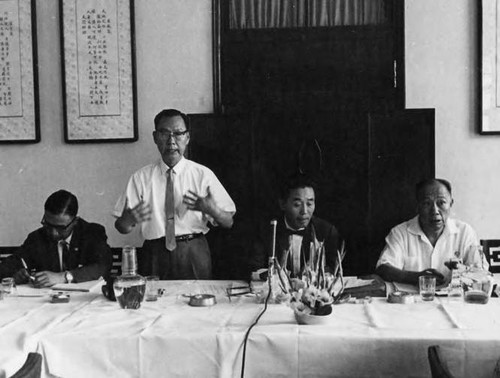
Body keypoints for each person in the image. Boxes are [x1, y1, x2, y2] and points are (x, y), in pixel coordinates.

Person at [113, 108, 236, 280]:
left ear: (187, 137)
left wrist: (212, 210)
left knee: (196, 303)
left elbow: (228, 222)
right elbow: (121, 227)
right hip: (154, 253)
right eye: (165, 134)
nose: (171, 141)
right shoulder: (140, 178)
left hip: (193, 250)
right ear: (155, 137)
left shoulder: (202, 175)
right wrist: (128, 220)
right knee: (152, 304)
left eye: (178, 134)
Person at [375, 178, 488, 286]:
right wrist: (416, 277)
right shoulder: (400, 233)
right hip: (412, 300)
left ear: (451, 204)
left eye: (441, 203)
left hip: (454, 301)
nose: (435, 211)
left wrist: (463, 270)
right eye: (426, 203)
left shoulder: (465, 232)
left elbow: (481, 270)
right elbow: (383, 268)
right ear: (417, 206)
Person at [0, 190, 112, 287]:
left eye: (60, 228)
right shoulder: (37, 238)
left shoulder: (92, 233)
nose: (53, 233)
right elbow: (9, 264)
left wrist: (64, 277)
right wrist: (15, 275)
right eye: (48, 224)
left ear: (75, 221)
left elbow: (103, 266)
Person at [249, 174, 342, 279]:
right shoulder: (267, 230)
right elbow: (255, 271)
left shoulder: (326, 231)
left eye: (310, 204)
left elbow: (333, 271)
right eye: (297, 205)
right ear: (283, 204)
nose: (304, 211)